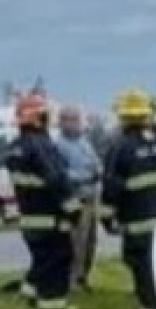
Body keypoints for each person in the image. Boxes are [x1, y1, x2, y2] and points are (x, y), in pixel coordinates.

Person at [99, 88, 156, 309]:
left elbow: (112, 186)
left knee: (142, 266)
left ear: (122, 116)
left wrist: (106, 216)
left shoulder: (119, 147)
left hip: (138, 222)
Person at [3, 93, 78, 309]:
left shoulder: (13, 148)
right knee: (58, 259)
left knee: (41, 259)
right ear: (37, 119)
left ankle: (30, 292)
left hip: (29, 219)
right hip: (49, 219)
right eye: (44, 116)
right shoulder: (42, 146)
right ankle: (52, 306)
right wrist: (73, 209)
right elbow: (56, 179)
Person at [54, 104, 102, 290]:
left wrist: (98, 170)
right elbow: (61, 174)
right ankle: (72, 280)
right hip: (76, 200)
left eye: (76, 119)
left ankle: (84, 277)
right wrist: (84, 176)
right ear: (62, 122)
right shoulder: (59, 146)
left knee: (91, 241)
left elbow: (95, 162)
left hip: (92, 197)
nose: (74, 124)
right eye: (70, 120)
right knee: (76, 242)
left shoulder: (84, 142)